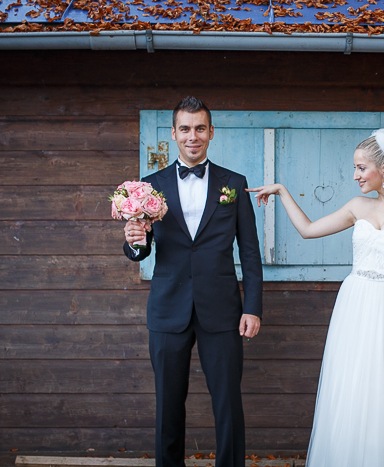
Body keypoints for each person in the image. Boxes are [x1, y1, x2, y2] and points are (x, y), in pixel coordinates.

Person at [247, 127, 384, 467]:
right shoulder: (357, 206)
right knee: (351, 386)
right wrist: (281, 190)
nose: (355, 176)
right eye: (355, 168)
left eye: (361, 168)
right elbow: (308, 230)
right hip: (354, 304)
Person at [123, 96, 263, 467]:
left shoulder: (234, 184)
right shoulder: (149, 187)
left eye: (200, 128)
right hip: (169, 309)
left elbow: (249, 252)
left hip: (222, 310)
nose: (192, 136)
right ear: (173, 133)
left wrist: (252, 308)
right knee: (168, 404)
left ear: (211, 132)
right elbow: (143, 248)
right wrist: (134, 241)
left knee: (228, 402)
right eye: (185, 128)